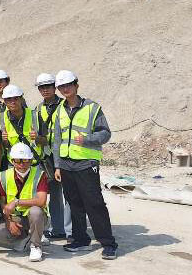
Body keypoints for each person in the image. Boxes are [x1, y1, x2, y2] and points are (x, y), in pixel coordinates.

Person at [52, 70, 117, 260]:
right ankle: (81, 239)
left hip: (86, 164)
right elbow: (57, 140)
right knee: (74, 204)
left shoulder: (92, 108)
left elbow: (105, 133)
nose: (65, 89)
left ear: (76, 85)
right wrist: (57, 165)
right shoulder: (59, 110)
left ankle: (108, 243)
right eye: (62, 87)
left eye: (68, 85)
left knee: (94, 204)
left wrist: (87, 139)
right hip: (65, 165)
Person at [0, 143, 49, 262]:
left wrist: (17, 202)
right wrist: (9, 221)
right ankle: (28, 239)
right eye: (18, 161)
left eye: (25, 161)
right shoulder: (4, 176)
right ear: (12, 161)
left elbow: (41, 200)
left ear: (31, 160)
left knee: (35, 211)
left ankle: (36, 246)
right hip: (16, 218)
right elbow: (3, 203)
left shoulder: (40, 174)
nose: (21, 165)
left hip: (36, 218)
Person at [34, 73, 70, 241]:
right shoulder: (38, 108)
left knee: (68, 194)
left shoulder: (64, 105)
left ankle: (69, 230)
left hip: (63, 154)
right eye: (42, 87)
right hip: (45, 157)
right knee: (51, 193)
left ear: (54, 87)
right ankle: (57, 228)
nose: (45, 90)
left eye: (48, 86)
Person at [0, 84, 42, 172]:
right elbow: (4, 146)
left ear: (21, 99)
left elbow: (45, 141)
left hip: (34, 164)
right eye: (9, 99)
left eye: (16, 98)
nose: (13, 102)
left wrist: (37, 138)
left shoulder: (35, 115)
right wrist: (5, 140)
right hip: (14, 165)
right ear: (4, 102)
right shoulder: (1, 119)